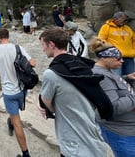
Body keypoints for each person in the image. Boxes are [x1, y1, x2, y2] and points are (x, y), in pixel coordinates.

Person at [37, 27, 107, 157]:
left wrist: (43, 104)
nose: (43, 49)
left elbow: (49, 106)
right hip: (95, 140)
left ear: (51, 44)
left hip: (73, 146)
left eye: (43, 45)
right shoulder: (84, 65)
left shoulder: (51, 74)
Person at [0, 28, 35, 157]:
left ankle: (25, 154)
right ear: (8, 36)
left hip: (8, 92)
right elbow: (33, 62)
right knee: (15, 114)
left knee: (17, 122)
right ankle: (10, 122)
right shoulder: (18, 48)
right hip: (21, 89)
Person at [88, 36, 135, 156]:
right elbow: (114, 106)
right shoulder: (101, 76)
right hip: (121, 133)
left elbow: (112, 89)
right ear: (104, 58)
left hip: (127, 130)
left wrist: (126, 79)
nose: (122, 61)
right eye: (117, 58)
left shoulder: (107, 72)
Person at [98, 11, 135, 76]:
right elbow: (101, 41)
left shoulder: (127, 28)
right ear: (116, 19)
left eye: (126, 20)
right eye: (124, 20)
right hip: (115, 58)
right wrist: (109, 53)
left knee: (132, 77)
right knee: (116, 78)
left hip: (129, 58)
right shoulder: (106, 27)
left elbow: (134, 40)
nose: (125, 22)